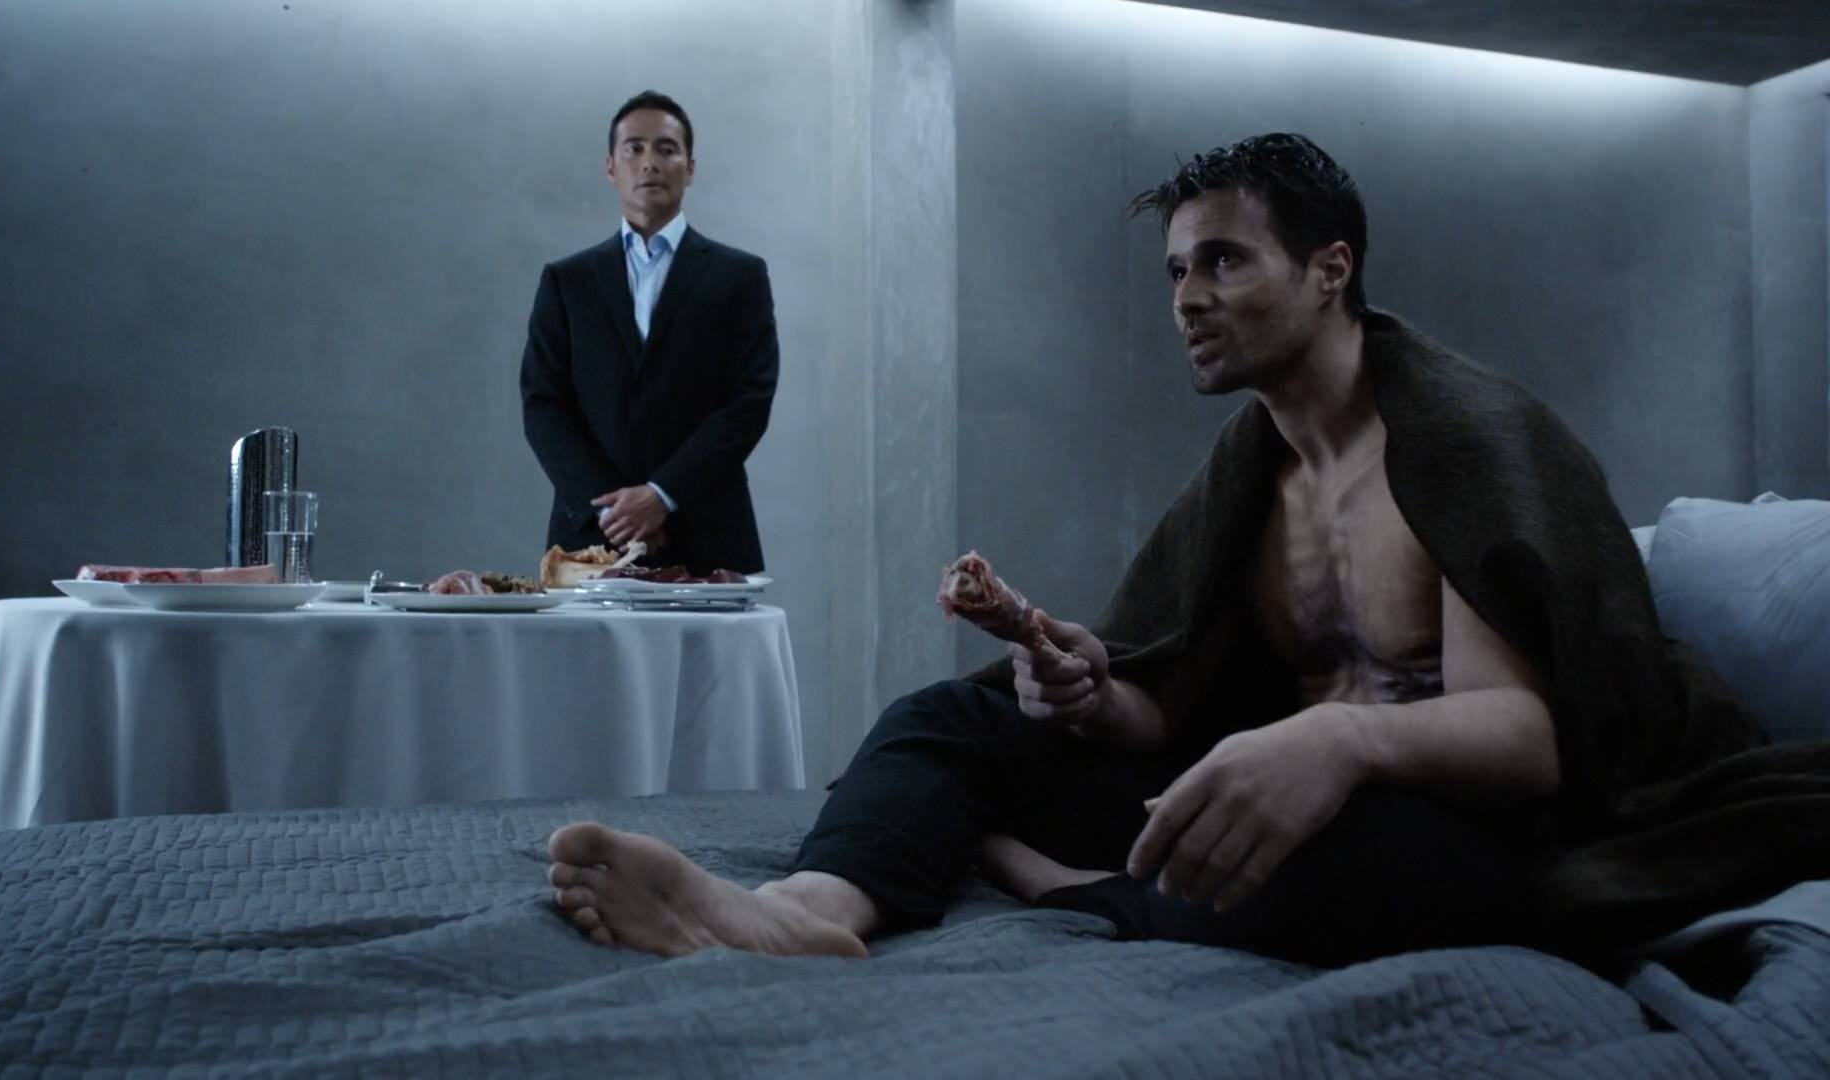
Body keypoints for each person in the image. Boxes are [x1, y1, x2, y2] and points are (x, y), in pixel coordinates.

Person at [542, 133, 1802, 966]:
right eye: (1175, 270)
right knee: (946, 720)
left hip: (1462, 825)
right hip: (1287, 785)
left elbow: (1529, 743)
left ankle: (1057, 886)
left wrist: (1340, 741)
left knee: (1345, 856)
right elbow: (1179, 704)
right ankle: (806, 913)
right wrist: (1090, 689)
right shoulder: (1254, 470)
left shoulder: (1465, 445)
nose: (1187, 297)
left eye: (1224, 262)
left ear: (1330, 270)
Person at [520, 90, 779, 575]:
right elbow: (542, 404)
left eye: (666, 149)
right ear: (610, 166)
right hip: (591, 540)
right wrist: (615, 511)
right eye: (633, 148)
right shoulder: (567, 281)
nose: (649, 163)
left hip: (707, 533)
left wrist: (662, 495)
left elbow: (749, 401)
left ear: (690, 167)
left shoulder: (740, 276)